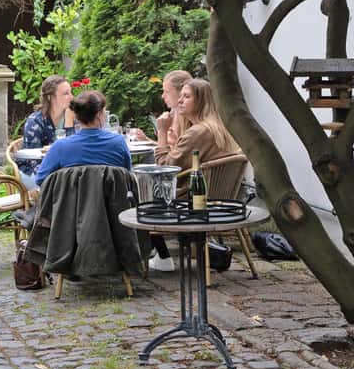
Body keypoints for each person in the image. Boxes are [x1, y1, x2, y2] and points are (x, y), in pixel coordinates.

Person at [129, 71, 193, 271]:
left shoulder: (187, 123)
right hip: (183, 177)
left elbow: (166, 163)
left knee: (134, 190)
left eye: (166, 91)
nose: (163, 96)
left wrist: (162, 131)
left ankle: (160, 254)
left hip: (180, 184)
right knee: (135, 182)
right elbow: (173, 152)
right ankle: (156, 252)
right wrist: (150, 140)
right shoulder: (182, 119)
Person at [34, 90, 132, 186]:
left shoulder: (60, 147)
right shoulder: (118, 143)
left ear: (76, 116)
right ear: (99, 114)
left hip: (72, 197)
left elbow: (40, 179)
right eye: (104, 111)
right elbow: (128, 177)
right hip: (111, 197)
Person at [156, 78, 238, 171]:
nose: (180, 101)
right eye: (180, 96)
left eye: (186, 96)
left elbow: (164, 169)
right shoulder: (216, 126)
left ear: (201, 102)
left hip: (198, 180)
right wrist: (177, 144)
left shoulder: (198, 132)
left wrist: (162, 131)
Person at [17, 75, 74, 189]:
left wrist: (69, 124)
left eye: (71, 92)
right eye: (66, 93)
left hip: (63, 169)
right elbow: (33, 159)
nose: (71, 97)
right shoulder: (35, 121)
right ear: (50, 97)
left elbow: (74, 147)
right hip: (34, 170)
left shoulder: (72, 117)